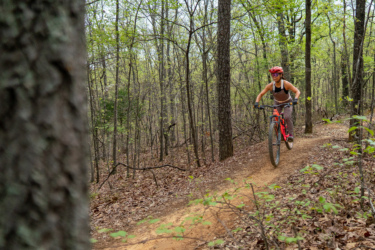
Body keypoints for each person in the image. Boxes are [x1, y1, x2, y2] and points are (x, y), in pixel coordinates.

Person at [254, 66, 301, 142]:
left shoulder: (286, 84)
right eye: (272, 75)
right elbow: (261, 94)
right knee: (274, 119)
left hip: (288, 102)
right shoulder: (270, 86)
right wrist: (256, 103)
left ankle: (291, 135)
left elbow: (297, 91)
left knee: (287, 117)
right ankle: (280, 135)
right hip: (277, 103)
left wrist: (296, 99)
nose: (274, 77)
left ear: (281, 75)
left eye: (276, 75)